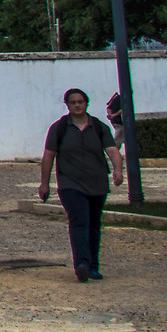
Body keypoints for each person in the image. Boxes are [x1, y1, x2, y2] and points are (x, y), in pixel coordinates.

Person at [40, 88, 123, 282]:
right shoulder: (59, 128)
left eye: (80, 102)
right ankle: (82, 264)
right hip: (70, 184)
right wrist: (45, 184)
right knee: (79, 221)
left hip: (97, 183)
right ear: (67, 105)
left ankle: (93, 266)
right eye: (73, 102)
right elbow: (48, 156)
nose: (77, 105)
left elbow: (112, 150)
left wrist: (118, 170)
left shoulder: (99, 127)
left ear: (86, 103)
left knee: (93, 224)